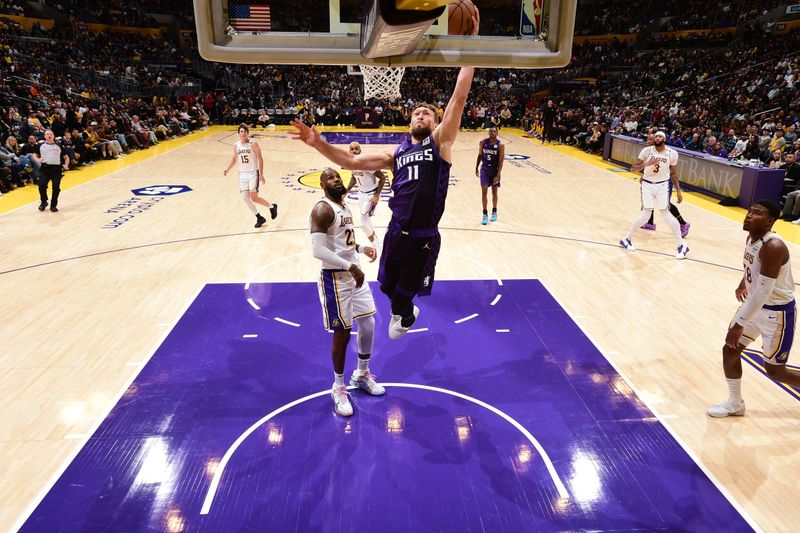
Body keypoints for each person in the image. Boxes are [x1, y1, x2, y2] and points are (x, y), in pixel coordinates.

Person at [291, 20, 479, 339]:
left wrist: (471, 46)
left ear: (436, 121)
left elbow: (459, 97)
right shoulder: (397, 153)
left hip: (422, 235)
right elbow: (350, 160)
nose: (421, 116)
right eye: (416, 113)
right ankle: (403, 311)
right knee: (386, 284)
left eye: (427, 114)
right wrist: (317, 143)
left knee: (405, 293)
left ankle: (405, 315)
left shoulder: (441, 142)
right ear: (409, 121)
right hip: (395, 230)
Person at [708, 200, 799, 417]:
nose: (749, 215)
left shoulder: (774, 246)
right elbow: (755, 268)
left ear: (770, 221)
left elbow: (763, 292)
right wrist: (743, 282)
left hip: (777, 314)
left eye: (756, 213)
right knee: (730, 349)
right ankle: (735, 403)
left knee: (775, 371)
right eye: (749, 211)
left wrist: (739, 324)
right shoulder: (753, 238)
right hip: (755, 307)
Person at [310, 168, 382, 417]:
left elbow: (344, 243)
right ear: (322, 184)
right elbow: (318, 251)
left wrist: (361, 249)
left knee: (369, 322)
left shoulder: (343, 205)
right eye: (330, 178)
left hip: (354, 272)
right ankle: (338, 387)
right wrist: (349, 265)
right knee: (343, 333)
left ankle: (362, 373)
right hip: (336, 278)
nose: (336, 180)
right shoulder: (322, 209)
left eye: (338, 177)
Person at [619, 131, 689, 259]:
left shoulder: (672, 153)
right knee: (646, 215)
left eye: (660, 136)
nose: (657, 138)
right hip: (647, 184)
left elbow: (674, 173)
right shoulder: (647, 151)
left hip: (663, 185)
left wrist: (678, 191)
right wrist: (647, 164)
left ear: (664, 139)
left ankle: (682, 245)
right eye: (656, 136)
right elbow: (633, 168)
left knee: (666, 214)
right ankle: (626, 239)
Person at [223, 123, 278, 228]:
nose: (243, 133)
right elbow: (234, 159)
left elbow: (260, 159)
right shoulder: (236, 145)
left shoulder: (253, 144)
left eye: (245, 131)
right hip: (242, 174)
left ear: (248, 133)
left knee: (254, 198)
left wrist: (261, 174)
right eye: (241, 132)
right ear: (238, 134)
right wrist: (227, 169)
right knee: (245, 198)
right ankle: (259, 217)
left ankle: (272, 207)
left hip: (253, 173)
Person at [344, 142, 386, 252]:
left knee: (362, 223)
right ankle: (377, 239)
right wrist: (346, 191)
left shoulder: (366, 164)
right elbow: (354, 177)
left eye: (356, 148)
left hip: (371, 194)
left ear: (360, 150)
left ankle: (375, 244)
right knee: (366, 219)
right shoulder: (352, 164)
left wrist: (376, 195)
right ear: (349, 151)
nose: (354, 151)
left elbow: (382, 178)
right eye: (352, 149)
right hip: (361, 194)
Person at [32, 129, 69, 212]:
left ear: (53, 136)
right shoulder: (40, 146)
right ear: (45, 136)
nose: (49, 135)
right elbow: (34, 155)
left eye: (51, 134)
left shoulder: (59, 146)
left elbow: (66, 157)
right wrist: (38, 160)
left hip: (56, 169)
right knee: (41, 186)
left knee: (56, 187)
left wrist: (66, 165)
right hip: (45, 169)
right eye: (47, 134)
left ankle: (53, 205)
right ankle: (44, 202)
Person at [475, 126, 504, 224]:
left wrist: (498, 174)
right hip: (484, 169)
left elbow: (501, 161)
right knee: (484, 191)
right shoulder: (483, 142)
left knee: (494, 192)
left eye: (494, 131)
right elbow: (479, 155)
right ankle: (484, 213)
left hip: (494, 170)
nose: (492, 133)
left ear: (497, 133)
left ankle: (494, 211)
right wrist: (476, 167)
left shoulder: (500, 145)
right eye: (491, 131)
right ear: (488, 133)